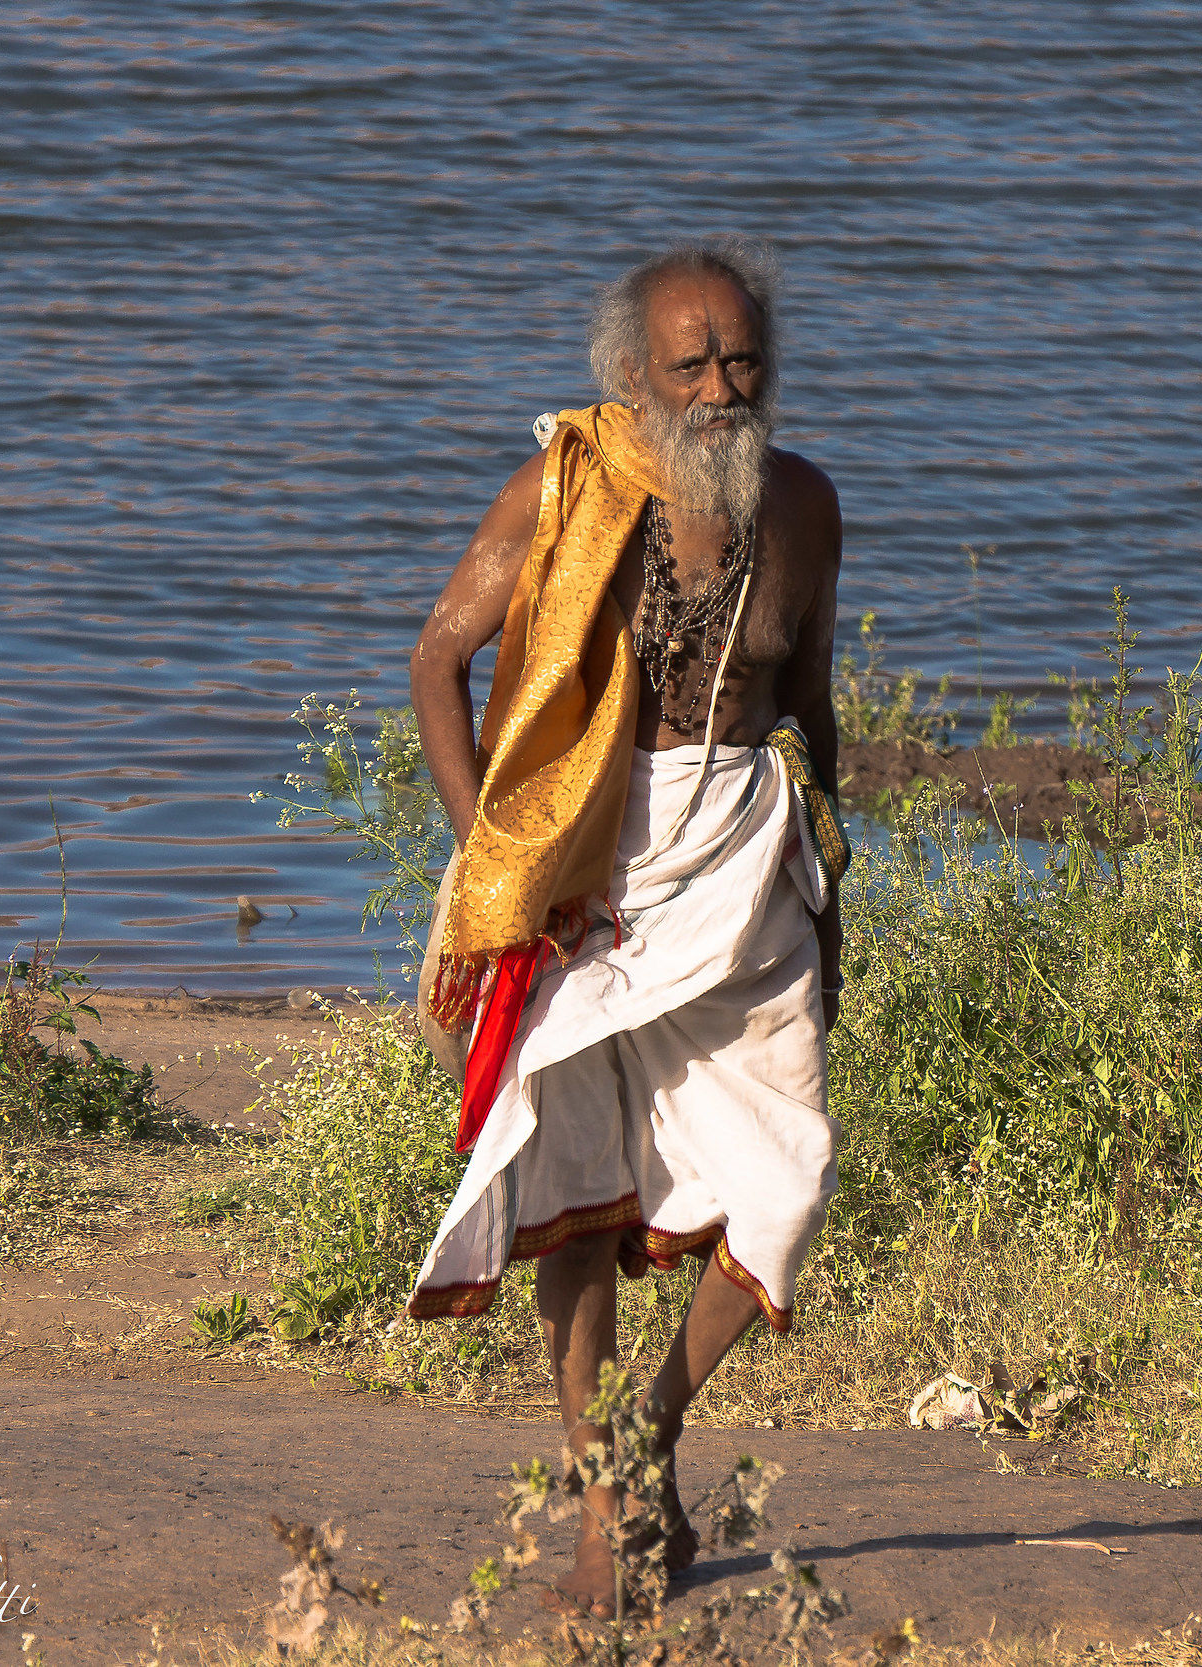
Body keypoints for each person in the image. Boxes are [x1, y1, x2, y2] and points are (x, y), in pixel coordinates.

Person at [405, 238, 847, 1617]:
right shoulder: (566, 488)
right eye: (689, 362)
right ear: (630, 376)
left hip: (742, 863)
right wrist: (506, 854)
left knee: (788, 1181)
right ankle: (604, 1493)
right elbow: (438, 662)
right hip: (588, 873)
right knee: (577, 1200)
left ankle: (656, 1433)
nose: (720, 387)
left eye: (741, 358)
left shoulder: (807, 507)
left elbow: (813, 709)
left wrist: (833, 889)